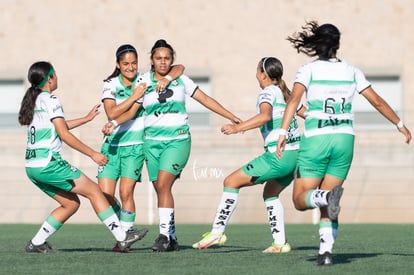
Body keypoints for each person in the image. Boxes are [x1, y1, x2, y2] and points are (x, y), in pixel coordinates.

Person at [276, 21, 412, 265]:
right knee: (330, 199)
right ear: (338, 45)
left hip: (316, 140)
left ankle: (324, 200)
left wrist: (283, 132)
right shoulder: (352, 71)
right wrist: (399, 124)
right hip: (344, 141)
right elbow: (378, 101)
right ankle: (326, 253)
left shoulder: (308, 70)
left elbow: (294, 100)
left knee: (300, 199)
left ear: (317, 45)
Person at [103, 39, 241, 252]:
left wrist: (233, 117)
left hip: (177, 141)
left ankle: (164, 236)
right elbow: (131, 111)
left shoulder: (181, 79)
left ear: (172, 60)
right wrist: (113, 122)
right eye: (158, 58)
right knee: (160, 188)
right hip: (151, 144)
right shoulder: (142, 81)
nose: (163, 62)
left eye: (167, 58)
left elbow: (205, 99)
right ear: (151, 60)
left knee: (164, 185)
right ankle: (173, 237)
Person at [18, 61, 147, 253]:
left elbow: (58, 126)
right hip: (48, 163)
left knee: (70, 204)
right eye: (56, 73)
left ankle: (36, 242)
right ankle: (122, 237)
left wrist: (86, 119)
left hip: (32, 166)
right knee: (94, 191)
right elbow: (64, 134)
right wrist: (93, 154)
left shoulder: (34, 100)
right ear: (50, 78)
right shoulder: (51, 99)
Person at [192, 57, 305, 252]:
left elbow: (265, 116)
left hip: (277, 157)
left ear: (263, 74)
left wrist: (237, 128)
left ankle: (217, 233)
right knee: (270, 193)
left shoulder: (267, 92)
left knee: (230, 182)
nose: (255, 74)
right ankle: (280, 244)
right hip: (296, 158)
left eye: (256, 70)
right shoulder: (284, 92)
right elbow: (306, 113)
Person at [98, 44, 184, 252]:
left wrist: (168, 78)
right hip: (111, 146)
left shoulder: (144, 79)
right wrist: (134, 95)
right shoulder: (110, 84)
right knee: (103, 196)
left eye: (134, 63)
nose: (130, 67)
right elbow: (112, 113)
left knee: (126, 192)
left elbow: (179, 67)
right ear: (118, 65)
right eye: (125, 63)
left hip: (135, 146)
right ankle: (125, 231)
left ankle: (123, 241)